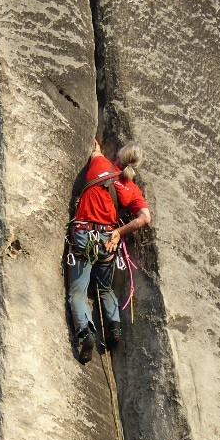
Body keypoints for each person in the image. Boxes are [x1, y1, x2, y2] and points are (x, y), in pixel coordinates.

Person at [67, 138, 151, 364]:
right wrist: (120, 231)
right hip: (108, 241)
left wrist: (95, 145)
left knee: (78, 292)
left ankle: (85, 333)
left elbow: (94, 150)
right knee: (105, 288)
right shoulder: (131, 189)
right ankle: (114, 328)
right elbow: (145, 218)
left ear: (119, 157)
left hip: (84, 238)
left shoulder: (101, 165)